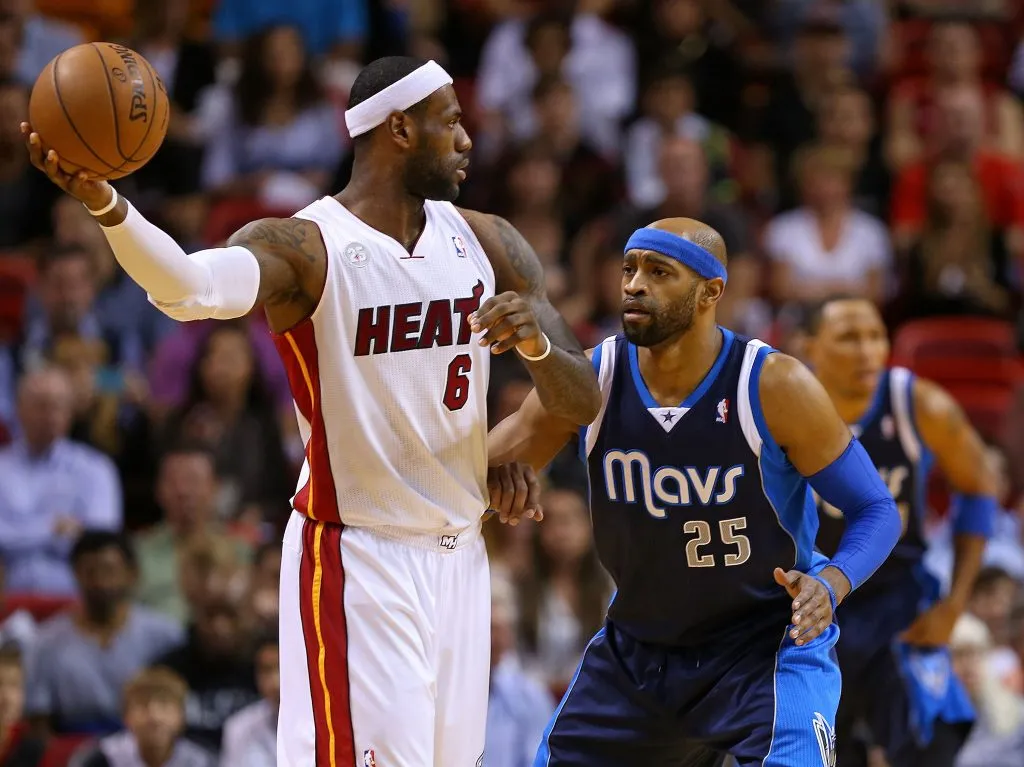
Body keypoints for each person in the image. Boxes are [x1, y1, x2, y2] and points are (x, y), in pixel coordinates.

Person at [23, 55, 599, 767]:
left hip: (462, 559)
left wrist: (537, 344)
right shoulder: (308, 245)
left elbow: (580, 398)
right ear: (399, 129)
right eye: (450, 122)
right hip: (359, 558)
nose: (467, 139)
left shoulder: (487, 240)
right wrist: (110, 205)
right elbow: (188, 289)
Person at [489, 218, 902, 765]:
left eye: (659, 272)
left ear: (711, 292)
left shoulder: (774, 385)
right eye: (629, 269)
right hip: (639, 651)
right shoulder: (594, 379)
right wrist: (499, 477)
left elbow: (875, 509)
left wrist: (832, 581)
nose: (635, 284)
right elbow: (478, 473)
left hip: (764, 647)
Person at [803, 296, 998, 767]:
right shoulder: (785, 409)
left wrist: (955, 603)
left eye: (876, 336)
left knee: (932, 744)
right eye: (850, 338)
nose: (868, 351)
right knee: (813, 751)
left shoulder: (920, 405)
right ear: (811, 347)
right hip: (812, 603)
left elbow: (980, 485)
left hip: (898, 599)